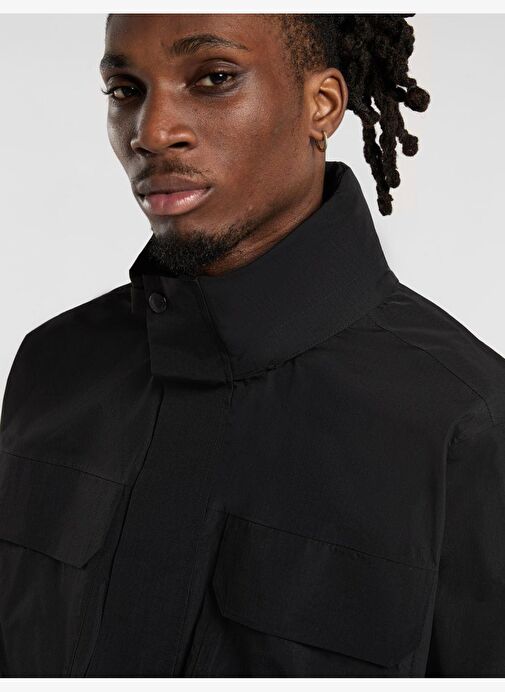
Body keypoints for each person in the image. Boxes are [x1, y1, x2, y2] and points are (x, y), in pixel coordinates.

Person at [0, 13, 504, 678]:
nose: (151, 132)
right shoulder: (52, 366)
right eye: (125, 90)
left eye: (213, 78)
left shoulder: (467, 424)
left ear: (321, 105)